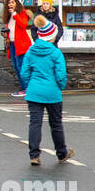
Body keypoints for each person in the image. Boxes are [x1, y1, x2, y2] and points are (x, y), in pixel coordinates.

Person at [20, 16, 74, 166]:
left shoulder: (31, 52)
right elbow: (61, 75)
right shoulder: (56, 53)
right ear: (52, 36)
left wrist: (31, 84)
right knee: (56, 124)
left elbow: (24, 73)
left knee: (35, 123)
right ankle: (61, 153)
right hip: (53, 93)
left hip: (34, 92)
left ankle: (34, 155)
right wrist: (60, 87)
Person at [2, 0, 32, 98]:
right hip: (13, 44)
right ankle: (23, 87)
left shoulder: (22, 14)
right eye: (8, 3)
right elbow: (11, 29)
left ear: (17, 4)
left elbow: (23, 25)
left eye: (12, 2)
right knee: (16, 66)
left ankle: (26, 88)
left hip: (22, 44)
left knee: (21, 67)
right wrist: (5, 34)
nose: (10, 5)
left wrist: (15, 14)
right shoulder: (8, 16)